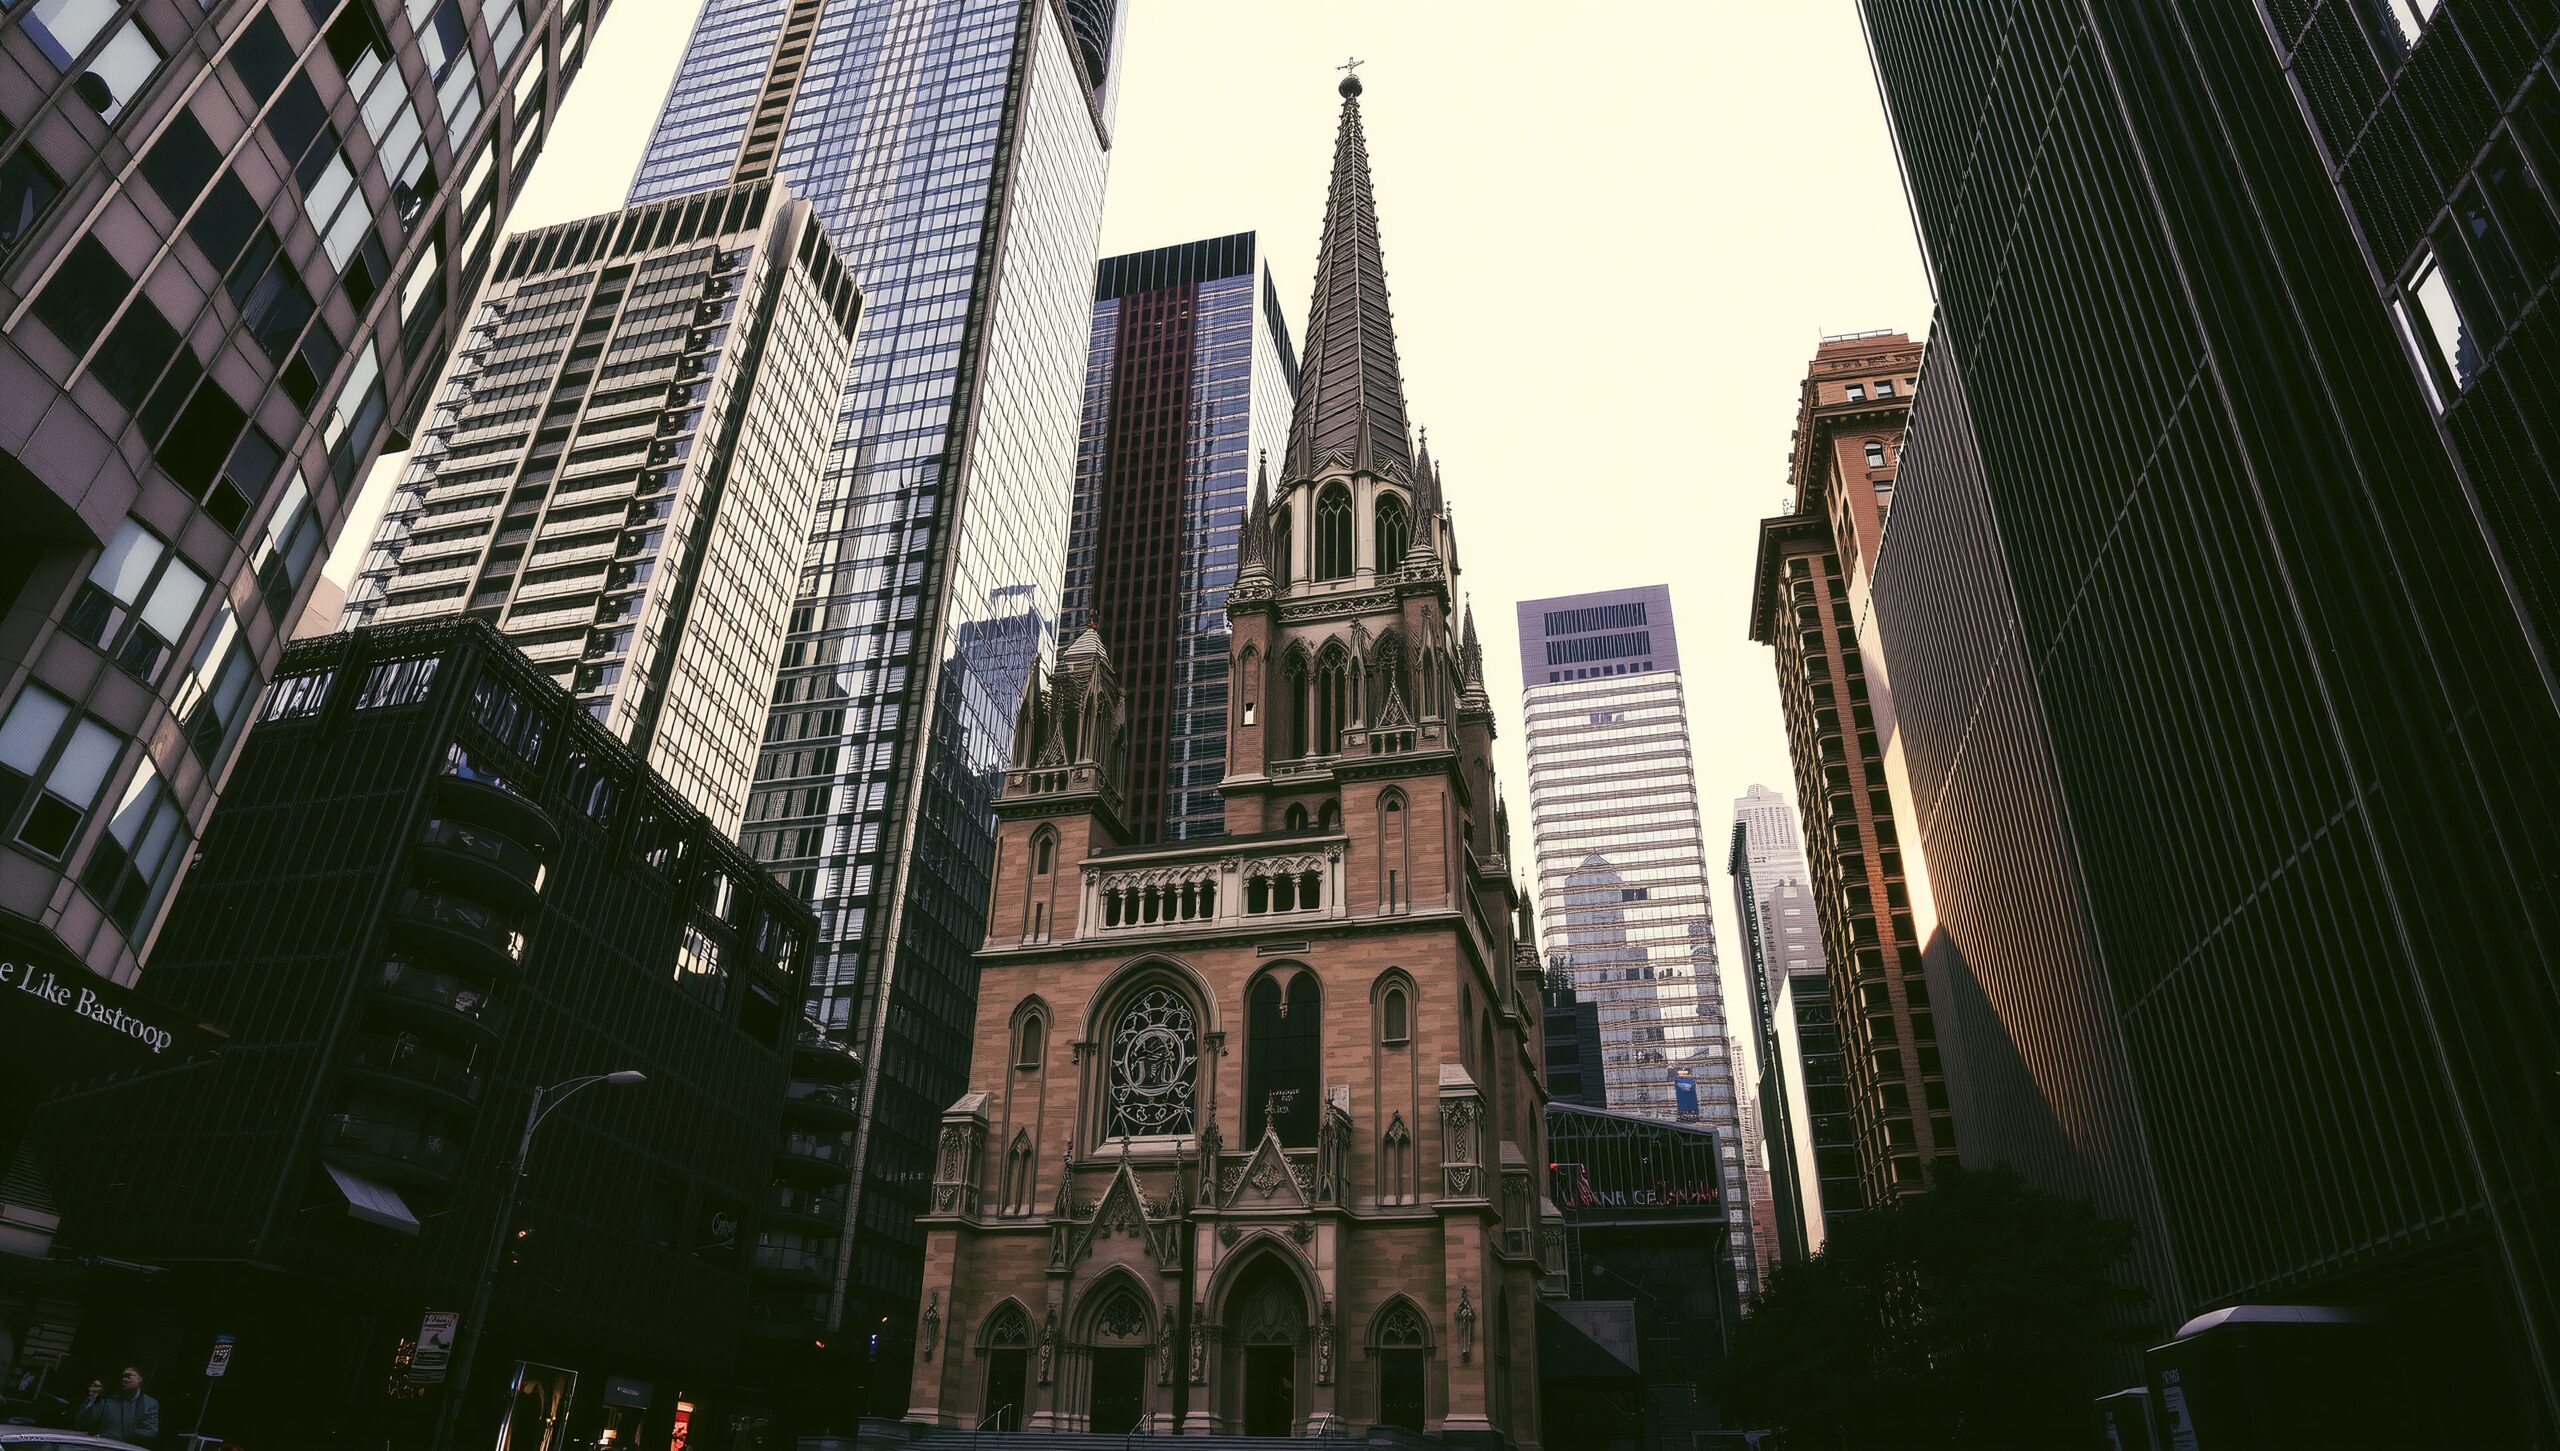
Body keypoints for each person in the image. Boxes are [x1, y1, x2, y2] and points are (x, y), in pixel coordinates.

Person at [78, 1366, 157, 1446]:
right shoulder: (109, 1400)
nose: (124, 1379)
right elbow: (83, 1423)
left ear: (140, 1379)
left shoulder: (150, 1403)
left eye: (129, 1376)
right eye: (123, 1376)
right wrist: (92, 1401)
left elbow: (151, 1432)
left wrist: (122, 1433)